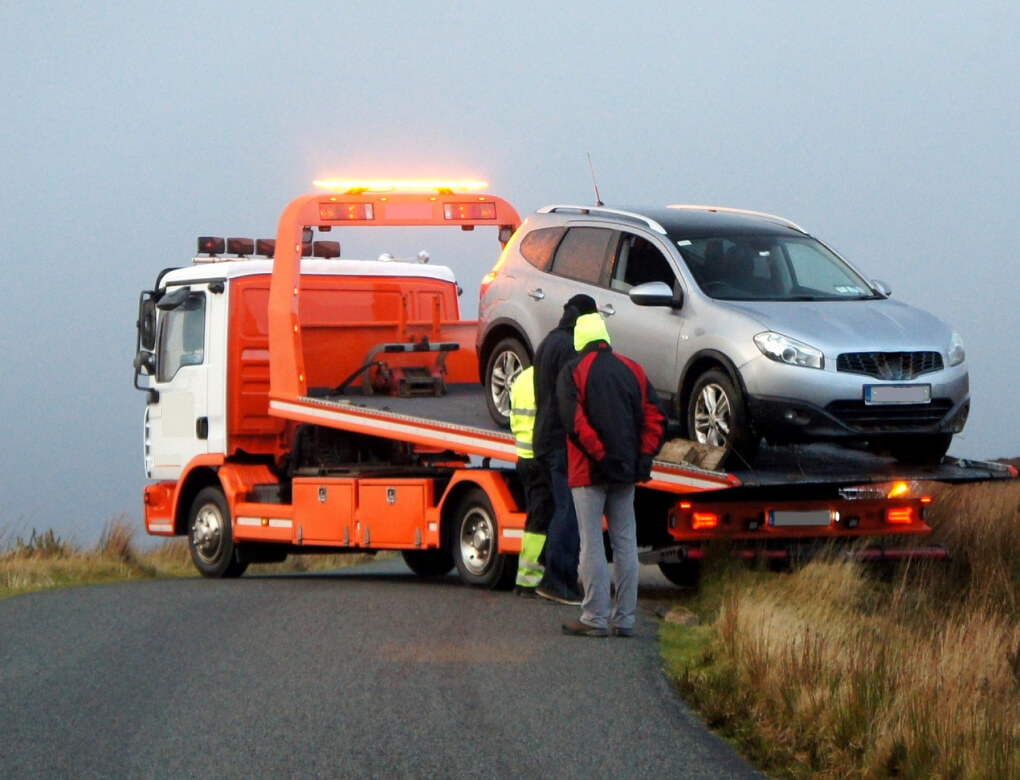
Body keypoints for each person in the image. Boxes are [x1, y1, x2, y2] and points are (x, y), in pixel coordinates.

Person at [556, 311, 666, 637]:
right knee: (625, 544)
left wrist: (600, 456)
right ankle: (625, 620)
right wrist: (643, 458)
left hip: (588, 471)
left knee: (591, 545)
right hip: (626, 471)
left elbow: (574, 422)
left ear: (580, 340)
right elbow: (656, 416)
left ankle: (594, 618)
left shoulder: (573, 371)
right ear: (605, 336)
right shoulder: (632, 368)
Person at [532, 293, 599, 606]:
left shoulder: (547, 342)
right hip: (560, 441)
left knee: (560, 508)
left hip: (541, 438)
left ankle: (551, 564)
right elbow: (572, 396)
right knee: (568, 510)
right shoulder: (571, 346)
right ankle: (557, 581)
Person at [509, 365, 552, 597]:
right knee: (539, 520)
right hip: (538, 457)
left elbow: (512, 417)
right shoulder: (545, 379)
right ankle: (528, 581)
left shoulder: (522, 378)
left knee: (535, 517)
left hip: (523, 456)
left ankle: (527, 578)